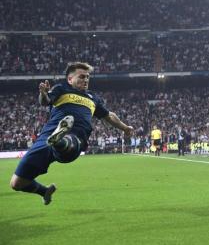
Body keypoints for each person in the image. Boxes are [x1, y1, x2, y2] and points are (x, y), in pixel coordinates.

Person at [10, 62, 134, 205]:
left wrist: (125, 128)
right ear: (70, 79)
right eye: (82, 76)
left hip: (77, 136)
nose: (86, 80)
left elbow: (109, 116)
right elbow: (45, 101)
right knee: (16, 183)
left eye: (88, 77)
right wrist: (43, 94)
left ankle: (59, 140)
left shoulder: (92, 98)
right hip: (46, 137)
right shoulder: (61, 89)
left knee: (69, 141)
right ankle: (44, 191)